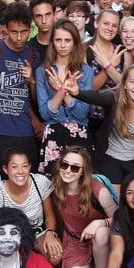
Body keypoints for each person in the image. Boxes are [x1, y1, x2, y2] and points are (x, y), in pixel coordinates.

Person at [0, 3, 43, 171]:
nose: (19, 37)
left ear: (30, 29)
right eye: (14, 32)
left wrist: (32, 80)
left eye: (23, 32)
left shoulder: (33, 56)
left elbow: (36, 98)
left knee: (23, 178)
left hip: (23, 130)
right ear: (6, 29)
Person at [66, 64, 134, 184]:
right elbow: (98, 97)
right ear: (124, 84)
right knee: (113, 195)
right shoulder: (114, 99)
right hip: (110, 157)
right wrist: (77, 92)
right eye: (132, 82)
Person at [49, 147, 119, 268]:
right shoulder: (55, 187)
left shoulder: (97, 189)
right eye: (64, 165)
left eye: (75, 168)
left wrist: (100, 223)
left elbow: (119, 217)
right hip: (75, 239)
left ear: (83, 171)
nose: (68, 171)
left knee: (100, 234)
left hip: (100, 238)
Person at [0, 148, 63, 264]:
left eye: (24, 166)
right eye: (14, 167)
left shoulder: (40, 182)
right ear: (5, 169)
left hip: (36, 234)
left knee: (55, 254)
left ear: (29, 167)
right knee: (11, 259)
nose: (20, 171)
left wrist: (50, 233)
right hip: (10, 237)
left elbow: (50, 216)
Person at [36, 20, 94, 174]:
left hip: (79, 134)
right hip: (53, 134)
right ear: (52, 42)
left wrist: (61, 91)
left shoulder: (86, 72)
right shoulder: (42, 72)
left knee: (79, 183)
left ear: (74, 43)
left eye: (67, 40)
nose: (62, 45)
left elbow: (82, 113)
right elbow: (45, 114)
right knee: (51, 183)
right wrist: (62, 90)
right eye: (58, 40)